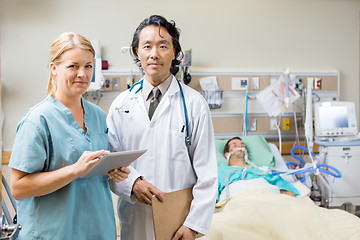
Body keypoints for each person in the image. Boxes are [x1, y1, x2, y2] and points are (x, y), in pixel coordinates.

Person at [9, 32, 130, 240]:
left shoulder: (98, 115)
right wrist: (74, 170)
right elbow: (18, 187)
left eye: (88, 66)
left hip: (98, 230)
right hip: (55, 233)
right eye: (73, 66)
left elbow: (91, 169)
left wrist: (110, 169)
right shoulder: (37, 120)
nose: (82, 73)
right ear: (53, 68)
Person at [106, 15, 218, 240]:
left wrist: (193, 225)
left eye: (163, 46)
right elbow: (111, 164)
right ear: (137, 52)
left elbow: (207, 174)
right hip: (134, 220)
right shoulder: (121, 105)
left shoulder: (195, 104)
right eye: (146, 46)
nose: (154, 54)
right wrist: (132, 183)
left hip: (179, 225)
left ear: (175, 52)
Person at [217, 137, 299, 202]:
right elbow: (212, 194)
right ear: (227, 154)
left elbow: (288, 192)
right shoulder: (221, 170)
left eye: (242, 145)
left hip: (267, 198)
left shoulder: (260, 171)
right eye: (235, 145)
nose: (240, 146)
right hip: (238, 198)